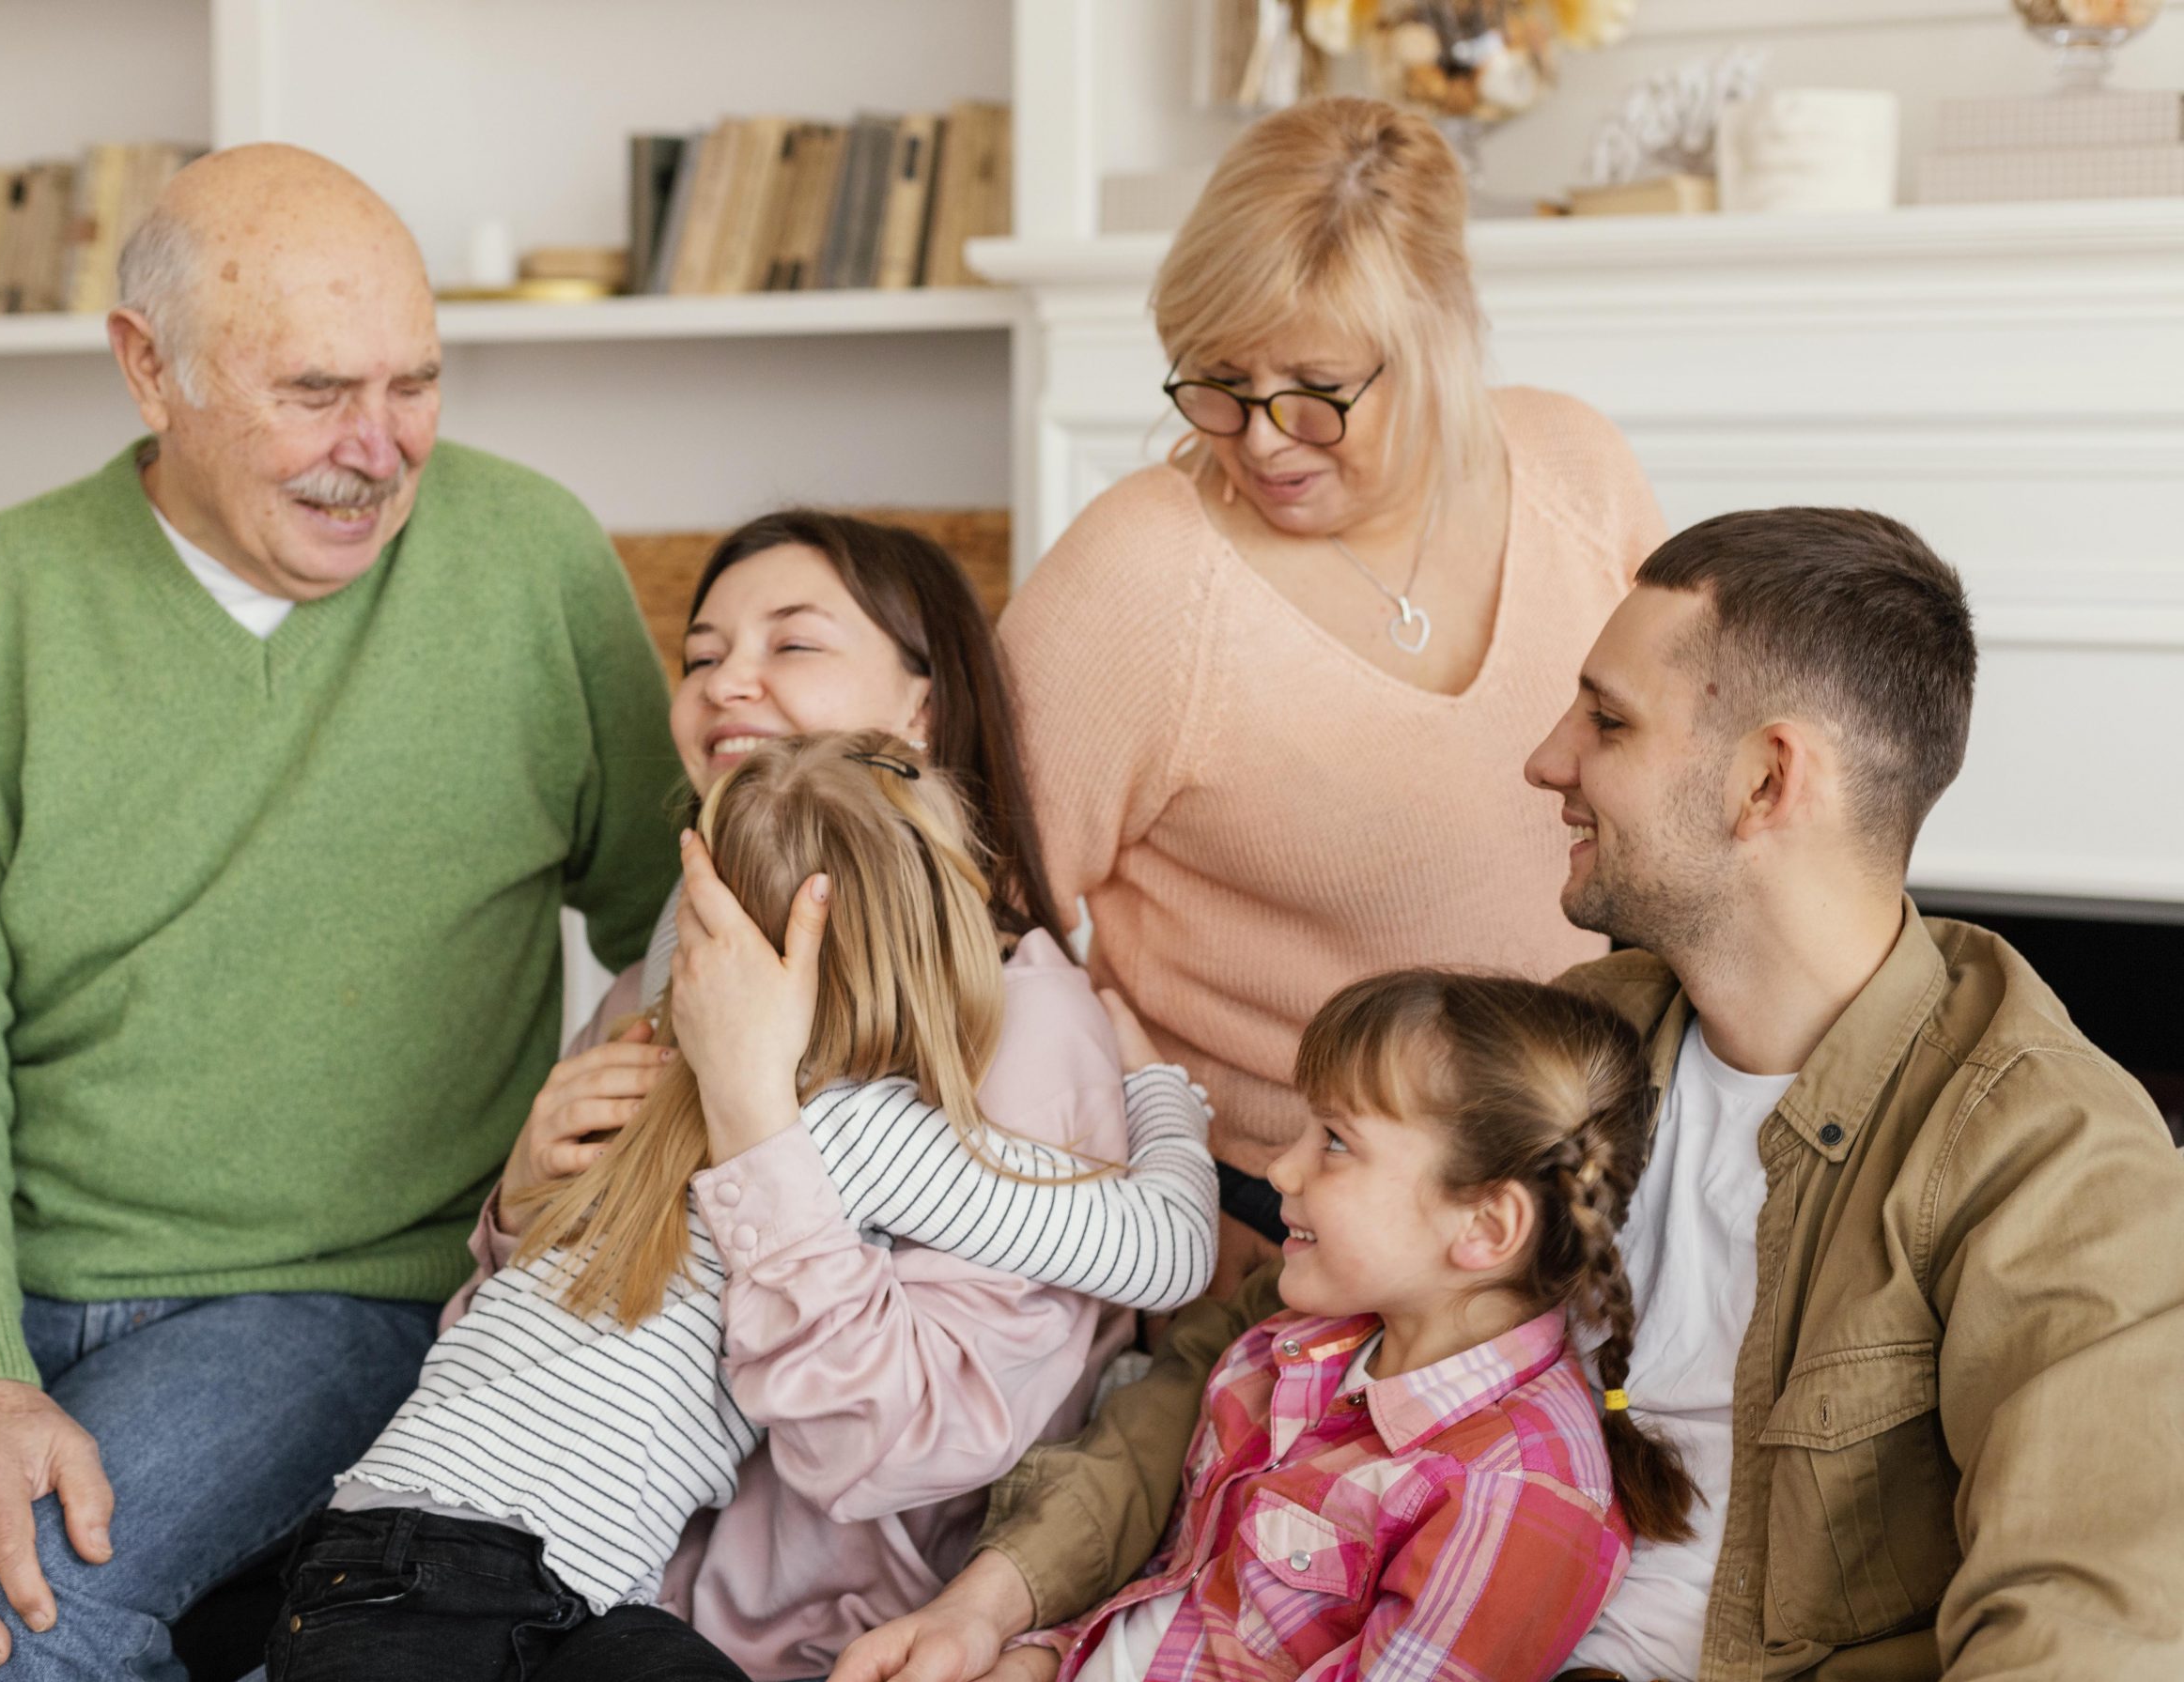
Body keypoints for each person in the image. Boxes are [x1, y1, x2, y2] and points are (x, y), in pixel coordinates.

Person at [836, 506, 2184, 1682]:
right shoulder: (1582, 1035)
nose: (1546, 759)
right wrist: (996, 1596)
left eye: (1605, 717)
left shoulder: (2048, 1152)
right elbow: (1236, 1356)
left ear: (1769, 778)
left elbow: (2085, 1615)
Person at [0, 145, 683, 1682]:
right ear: (151, 370)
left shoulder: (532, 562)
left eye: (417, 383)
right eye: (318, 391)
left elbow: (674, 915)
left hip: (330, 1294)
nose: (380, 448)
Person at [267, 732, 1218, 1682]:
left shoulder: (648, 1087)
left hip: (469, 1577)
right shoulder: (856, 1130)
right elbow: (1167, 1251)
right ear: (938, 935)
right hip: (464, 1578)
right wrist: (1159, 1088)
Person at [457, 510, 1171, 1682]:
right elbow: (507, 1375)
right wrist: (524, 1209)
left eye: (790, 646)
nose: (725, 682)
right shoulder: (654, 981)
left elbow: (908, 1445)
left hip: (807, 1651)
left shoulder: (1022, 1023)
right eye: (698, 656)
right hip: (562, 1600)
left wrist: (755, 1130)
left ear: (921, 711)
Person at [999, 97, 1667, 1286]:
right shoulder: (1137, 580)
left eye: (1315, 387)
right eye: (1216, 381)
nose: (1259, 440)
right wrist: (1151, 1197)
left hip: (1563, 1196)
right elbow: (975, 919)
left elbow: (1677, 797)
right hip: (1275, 1223)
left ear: (1439, 341)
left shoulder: (1576, 472)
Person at [1011, 969, 1694, 1682]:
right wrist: (1039, 1656)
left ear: (1487, 1225)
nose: (1281, 1167)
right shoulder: (1295, 1343)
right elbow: (1175, 1592)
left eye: (1335, 1140)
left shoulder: (1508, 1495)